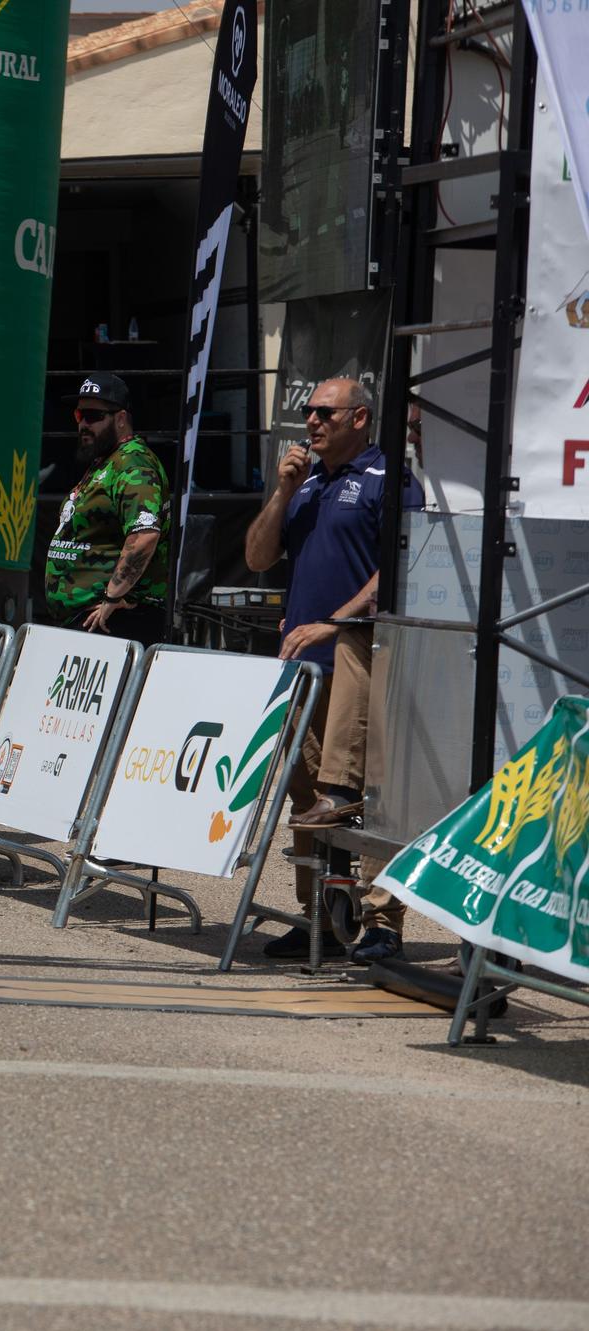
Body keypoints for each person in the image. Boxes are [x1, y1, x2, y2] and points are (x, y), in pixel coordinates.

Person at [245, 377, 422, 962]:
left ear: (361, 418)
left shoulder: (387, 479)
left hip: (364, 667)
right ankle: (318, 914)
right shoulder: (308, 481)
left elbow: (400, 568)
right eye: (307, 411)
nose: (311, 421)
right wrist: (281, 491)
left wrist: (335, 622)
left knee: (370, 799)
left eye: (325, 411)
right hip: (305, 671)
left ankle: (381, 923)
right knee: (308, 797)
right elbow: (257, 557)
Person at [43, 373, 169, 643]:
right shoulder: (106, 461)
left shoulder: (134, 463)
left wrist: (113, 596)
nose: (84, 425)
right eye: (80, 416)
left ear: (121, 419)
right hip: (86, 621)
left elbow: (145, 534)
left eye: (94, 416)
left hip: (113, 624)